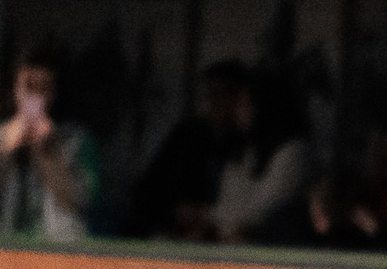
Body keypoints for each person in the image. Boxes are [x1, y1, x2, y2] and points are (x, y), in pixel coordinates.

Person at [0, 47, 100, 242]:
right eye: (29, 87)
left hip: (60, 245)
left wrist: (47, 154)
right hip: (7, 246)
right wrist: (5, 153)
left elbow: (81, 203)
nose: (35, 97)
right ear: (14, 89)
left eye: (44, 88)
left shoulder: (78, 140)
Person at [131, 60, 248, 240]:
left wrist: (210, 215)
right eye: (210, 95)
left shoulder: (246, 143)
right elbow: (151, 188)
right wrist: (176, 211)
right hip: (174, 231)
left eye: (223, 94)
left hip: (225, 232)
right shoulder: (188, 135)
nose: (215, 102)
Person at [209, 70, 313, 245]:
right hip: (229, 245)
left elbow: (264, 210)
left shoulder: (294, 152)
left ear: (264, 106)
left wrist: (217, 219)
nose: (237, 112)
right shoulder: (245, 151)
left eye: (245, 104)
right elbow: (226, 206)